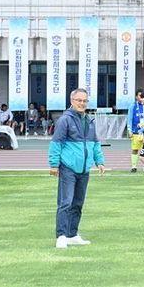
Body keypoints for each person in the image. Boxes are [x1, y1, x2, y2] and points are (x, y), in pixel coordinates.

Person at [49, 88, 105, 249]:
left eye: (85, 101)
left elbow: (95, 143)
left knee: (78, 203)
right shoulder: (65, 120)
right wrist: (54, 164)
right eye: (79, 100)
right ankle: (61, 236)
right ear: (72, 101)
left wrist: (99, 161)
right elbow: (56, 143)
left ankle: (72, 234)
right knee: (65, 203)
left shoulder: (89, 121)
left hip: (84, 170)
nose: (82, 103)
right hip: (68, 168)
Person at [127, 88, 144, 172]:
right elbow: (130, 119)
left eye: (142, 96)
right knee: (135, 149)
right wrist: (129, 130)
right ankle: (134, 166)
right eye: (139, 96)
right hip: (135, 131)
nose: (141, 97)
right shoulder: (133, 106)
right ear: (136, 97)